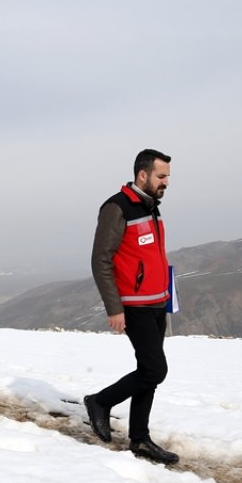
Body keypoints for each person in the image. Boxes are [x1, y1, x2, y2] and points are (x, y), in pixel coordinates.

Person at [81, 149, 180, 465]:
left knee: (148, 371)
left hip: (156, 302)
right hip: (133, 305)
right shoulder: (117, 208)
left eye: (167, 176)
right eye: (161, 176)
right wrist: (114, 308)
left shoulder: (151, 207)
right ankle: (100, 401)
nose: (166, 182)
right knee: (155, 369)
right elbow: (101, 260)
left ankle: (140, 439)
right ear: (143, 175)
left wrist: (166, 293)